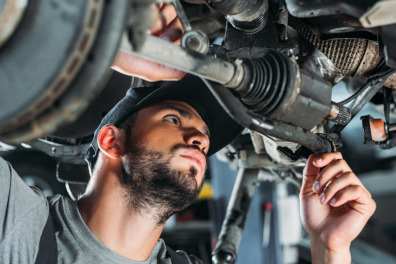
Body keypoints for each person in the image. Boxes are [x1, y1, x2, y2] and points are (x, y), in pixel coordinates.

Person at [0, 4, 376, 264]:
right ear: (111, 141)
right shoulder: (16, 224)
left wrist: (327, 247)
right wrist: (98, 42)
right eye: (177, 120)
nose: (200, 139)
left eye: (176, 121)